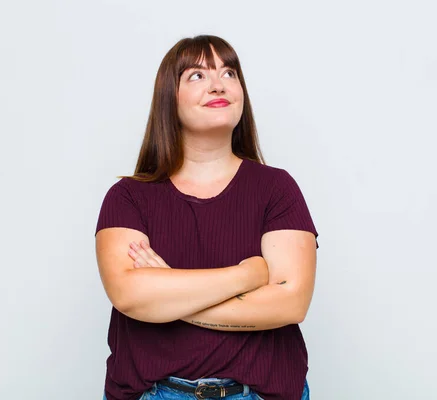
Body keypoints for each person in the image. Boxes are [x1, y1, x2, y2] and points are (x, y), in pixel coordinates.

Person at [95, 34, 319, 400]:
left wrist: (168, 292)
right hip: (152, 393)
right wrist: (247, 274)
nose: (218, 83)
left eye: (229, 73)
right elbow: (132, 296)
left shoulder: (277, 188)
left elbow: (290, 303)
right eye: (197, 75)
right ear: (169, 97)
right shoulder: (128, 197)